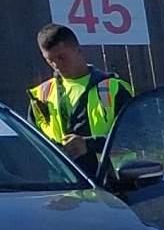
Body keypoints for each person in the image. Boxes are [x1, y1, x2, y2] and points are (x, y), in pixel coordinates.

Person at [29, 24, 135, 172]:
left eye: (62, 57)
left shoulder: (113, 89)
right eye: (50, 60)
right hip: (62, 186)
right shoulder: (41, 96)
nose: (56, 65)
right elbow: (31, 146)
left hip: (111, 184)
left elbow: (136, 139)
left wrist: (88, 145)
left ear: (78, 50)